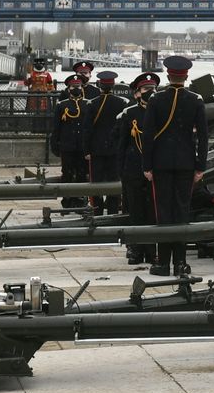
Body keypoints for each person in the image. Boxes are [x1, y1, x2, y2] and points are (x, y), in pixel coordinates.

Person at [141, 55, 206, 276]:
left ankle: (162, 263)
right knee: (181, 212)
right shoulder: (195, 100)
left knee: (164, 214)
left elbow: (148, 135)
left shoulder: (155, 100)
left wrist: (147, 165)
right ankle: (180, 262)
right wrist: (200, 167)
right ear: (186, 76)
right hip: (187, 164)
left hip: (161, 163)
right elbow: (203, 138)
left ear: (168, 76)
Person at [116, 72, 160, 265]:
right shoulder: (130, 114)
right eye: (146, 89)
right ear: (137, 93)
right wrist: (123, 171)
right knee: (135, 212)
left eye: (153, 89)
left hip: (154, 170)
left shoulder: (161, 111)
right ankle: (135, 249)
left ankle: (151, 250)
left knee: (152, 212)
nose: (150, 92)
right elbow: (122, 145)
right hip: (133, 169)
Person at [85, 72, 128, 214]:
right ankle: (113, 211)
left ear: (99, 85)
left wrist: (87, 151)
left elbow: (88, 129)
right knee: (113, 183)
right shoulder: (122, 103)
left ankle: (97, 212)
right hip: (115, 149)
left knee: (96, 183)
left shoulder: (92, 103)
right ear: (113, 85)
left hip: (96, 149)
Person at [50, 74, 91, 208]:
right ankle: (67, 200)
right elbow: (56, 127)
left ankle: (79, 200)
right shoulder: (62, 105)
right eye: (74, 87)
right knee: (67, 173)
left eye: (78, 86)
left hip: (82, 146)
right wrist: (55, 145)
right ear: (68, 89)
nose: (76, 89)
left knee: (81, 173)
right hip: (67, 145)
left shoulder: (87, 104)